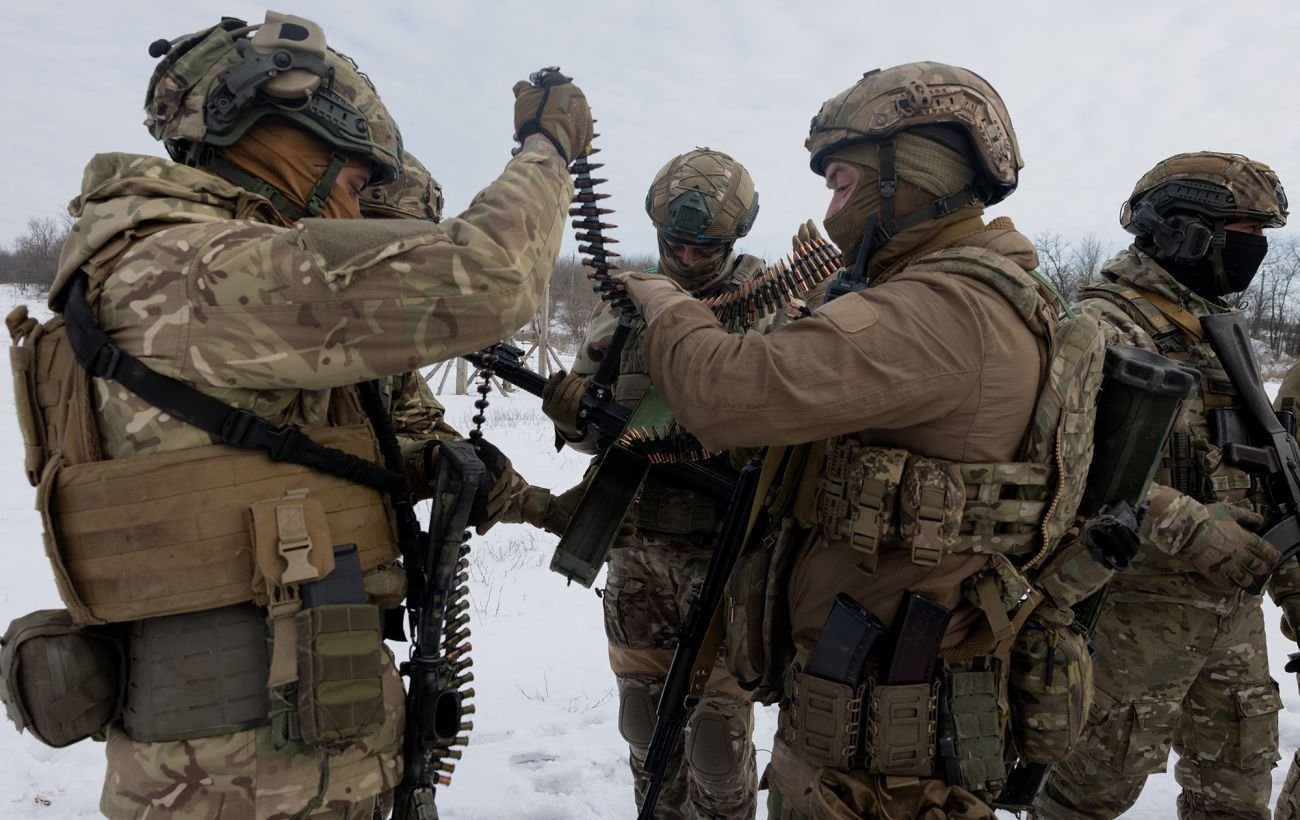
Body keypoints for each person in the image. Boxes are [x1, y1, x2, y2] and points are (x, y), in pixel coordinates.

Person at [1, 11, 591, 819]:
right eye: (349, 158)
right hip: (242, 778)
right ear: (264, 126)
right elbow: (487, 277)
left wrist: (448, 472)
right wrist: (547, 147)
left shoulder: (162, 269)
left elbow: (252, 472)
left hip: (278, 754)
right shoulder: (187, 270)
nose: (362, 181)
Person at [612, 61, 1085, 819]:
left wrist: (665, 302)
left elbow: (725, 392)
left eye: (841, 183)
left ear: (911, 177)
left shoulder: (942, 308)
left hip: (884, 727)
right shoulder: (986, 293)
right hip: (883, 696)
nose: (829, 210)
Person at [1035, 152, 1292, 820]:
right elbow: (1062, 464)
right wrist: (1190, 526)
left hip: (1232, 613)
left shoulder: (1216, 330)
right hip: (1132, 614)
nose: (1257, 248)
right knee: (1085, 797)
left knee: (1237, 790)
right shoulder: (1100, 325)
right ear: (1183, 231)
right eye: (1245, 232)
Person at [541, 148, 767, 819]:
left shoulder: (770, 308)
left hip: (725, 558)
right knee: (643, 724)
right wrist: (573, 421)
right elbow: (595, 427)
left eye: (706, 248)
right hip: (637, 551)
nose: (688, 259)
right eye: (675, 245)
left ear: (735, 239)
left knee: (717, 743)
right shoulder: (624, 312)